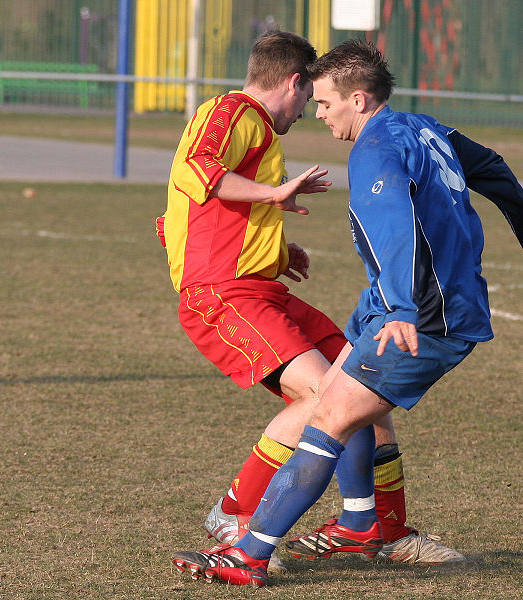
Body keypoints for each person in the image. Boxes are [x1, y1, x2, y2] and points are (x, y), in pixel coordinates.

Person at [170, 38, 522, 587]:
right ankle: (364, 520)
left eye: (325, 102)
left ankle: (247, 544)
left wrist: (402, 307)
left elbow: (395, 227)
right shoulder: (424, 126)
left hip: (421, 313)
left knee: (330, 412)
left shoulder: (374, 150)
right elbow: (494, 168)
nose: (318, 112)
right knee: (342, 395)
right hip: (397, 305)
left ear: (358, 100)